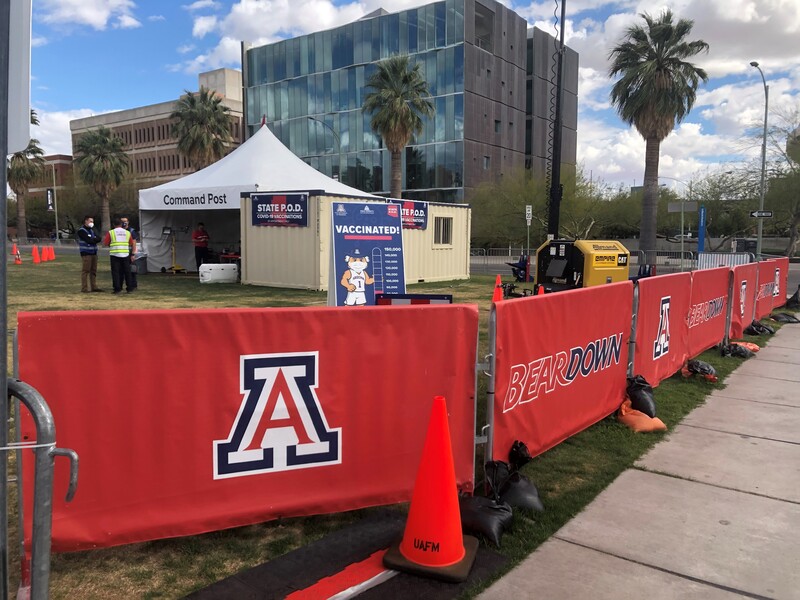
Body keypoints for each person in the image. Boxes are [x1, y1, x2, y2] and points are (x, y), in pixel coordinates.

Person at [103, 217, 136, 294]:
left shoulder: (111, 232)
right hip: (125, 254)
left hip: (115, 254)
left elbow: (106, 243)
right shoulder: (127, 232)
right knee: (127, 272)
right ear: (122, 224)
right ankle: (129, 288)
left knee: (116, 272)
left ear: (113, 224)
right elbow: (131, 243)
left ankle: (117, 289)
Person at [77, 216, 104, 293]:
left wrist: (94, 239)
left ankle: (94, 286)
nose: (91, 223)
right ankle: (84, 288)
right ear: (85, 221)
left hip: (94, 252)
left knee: (93, 270)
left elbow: (99, 238)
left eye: (92, 221)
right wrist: (94, 240)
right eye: (90, 221)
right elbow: (89, 240)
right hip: (86, 253)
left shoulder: (92, 230)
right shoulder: (81, 231)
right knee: (86, 270)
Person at [120, 216, 139, 290]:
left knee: (131, 270)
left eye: (125, 221)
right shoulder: (119, 230)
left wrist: (133, 254)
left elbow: (134, 243)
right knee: (121, 270)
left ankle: (133, 285)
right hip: (121, 253)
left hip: (130, 252)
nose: (123, 223)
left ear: (128, 222)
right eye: (122, 221)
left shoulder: (131, 231)